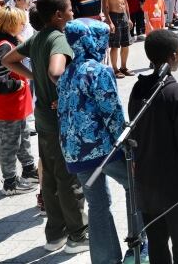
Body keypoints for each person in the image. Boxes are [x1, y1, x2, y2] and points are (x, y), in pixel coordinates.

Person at [3, 0, 89, 253]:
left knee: (49, 179)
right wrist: (65, 93)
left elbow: (9, 60)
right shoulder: (59, 39)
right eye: (70, 9)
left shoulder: (38, 37)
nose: (73, 13)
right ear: (58, 15)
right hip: (60, 122)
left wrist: (33, 76)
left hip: (43, 120)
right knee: (68, 180)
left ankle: (55, 235)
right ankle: (78, 234)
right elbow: (56, 72)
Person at [57, 18, 147, 264]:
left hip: (75, 153)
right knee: (136, 184)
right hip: (103, 150)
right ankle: (138, 247)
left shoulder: (67, 72)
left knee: (97, 205)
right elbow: (112, 112)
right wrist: (127, 140)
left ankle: (106, 260)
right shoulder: (99, 70)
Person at [129, 30, 178, 264]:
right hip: (177, 187)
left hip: (147, 183)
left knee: (157, 242)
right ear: (174, 56)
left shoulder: (138, 89)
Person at [0, 7, 39, 194]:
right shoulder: (4, 45)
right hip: (8, 101)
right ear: (10, 24)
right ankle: (10, 183)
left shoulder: (6, 41)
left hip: (16, 101)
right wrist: (14, 85)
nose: (23, 25)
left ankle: (29, 170)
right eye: (20, 22)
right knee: (9, 142)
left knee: (22, 136)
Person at [105, 0, 135, 78]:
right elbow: (105, 5)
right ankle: (115, 68)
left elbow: (125, 1)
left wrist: (129, 18)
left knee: (126, 44)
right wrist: (109, 21)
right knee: (115, 45)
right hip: (113, 15)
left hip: (123, 16)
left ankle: (124, 67)